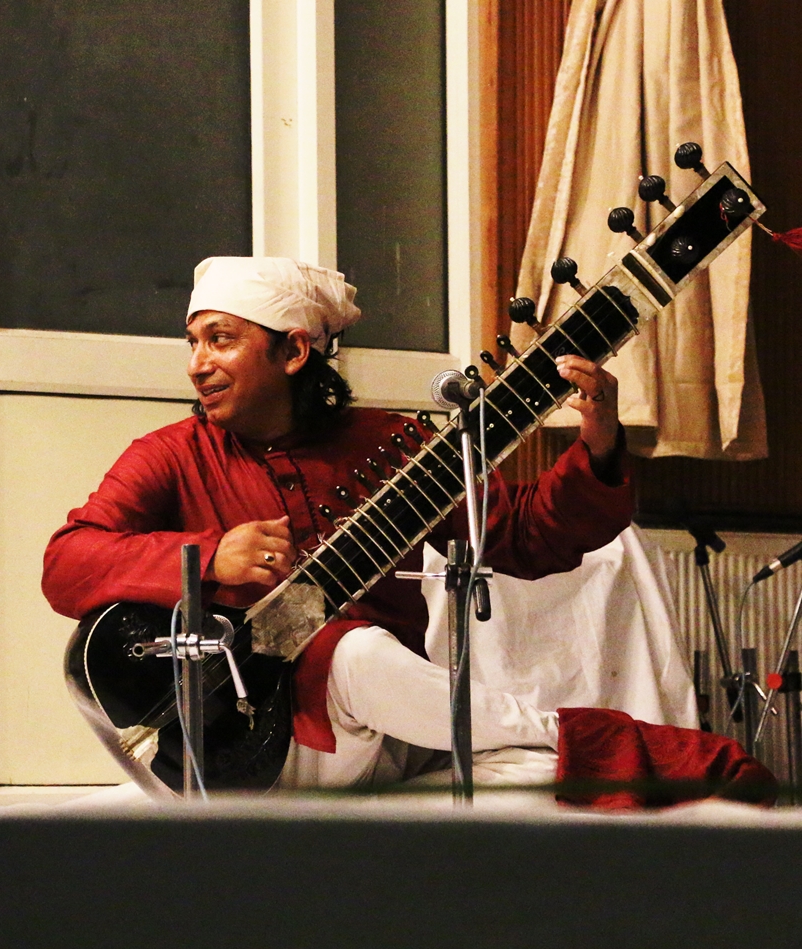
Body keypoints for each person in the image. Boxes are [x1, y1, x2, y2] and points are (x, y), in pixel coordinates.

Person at [42, 256, 635, 791]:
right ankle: (573, 733)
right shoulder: (171, 455)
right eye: (193, 343)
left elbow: (527, 538)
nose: (198, 366)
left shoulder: (393, 444)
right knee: (353, 652)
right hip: (262, 740)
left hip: (388, 728)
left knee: (537, 778)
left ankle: (515, 758)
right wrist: (211, 557)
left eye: (220, 340)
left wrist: (599, 444)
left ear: (294, 352)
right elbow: (67, 563)